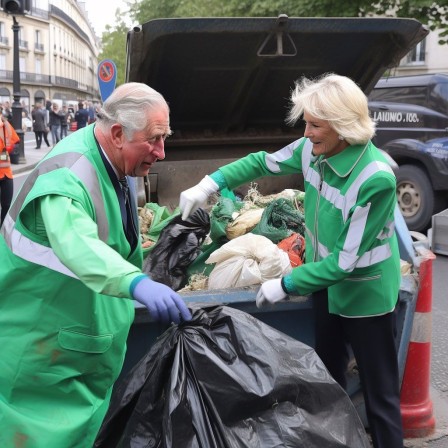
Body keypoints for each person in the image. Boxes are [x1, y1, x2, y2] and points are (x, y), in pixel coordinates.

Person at [179, 73, 404, 448]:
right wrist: (210, 182)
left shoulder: (374, 179)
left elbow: (346, 262)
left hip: (365, 299)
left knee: (380, 398)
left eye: (315, 124)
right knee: (327, 379)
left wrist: (284, 284)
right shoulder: (311, 150)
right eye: (306, 122)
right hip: (325, 290)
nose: (307, 131)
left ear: (344, 127)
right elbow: (262, 162)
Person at [0, 82, 192, 447]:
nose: (162, 152)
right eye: (154, 139)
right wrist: (137, 283)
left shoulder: (114, 164)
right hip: (40, 361)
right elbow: (78, 245)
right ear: (118, 133)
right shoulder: (67, 175)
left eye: (164, 138)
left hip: (71, 353)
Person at [0, 112, 19, 226]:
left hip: (6, 173)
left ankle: (2, 228)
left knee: (6, 204)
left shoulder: (5, 125)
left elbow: (13, 143)